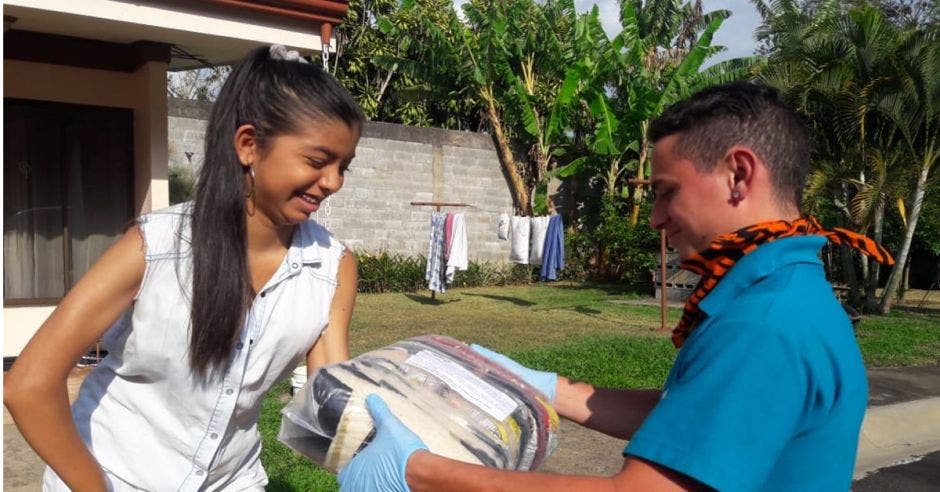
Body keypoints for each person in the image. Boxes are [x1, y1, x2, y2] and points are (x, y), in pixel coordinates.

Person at [336, 82, 895, 491]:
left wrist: (421, 472)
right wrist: (545, 388)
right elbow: (696, 417)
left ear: (739, 175)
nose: (655, 217)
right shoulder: (786, 293)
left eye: (665, 191)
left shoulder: (764, 324)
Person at [3, 45, 364, 491]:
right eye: (317, 161)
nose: (333, 183)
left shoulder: (331, 267)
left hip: (231, 481)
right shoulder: (155, 248)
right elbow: (29, 385)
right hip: (113, 477)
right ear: (248, 146)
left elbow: (330, 403)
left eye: (343, 166)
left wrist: (421, 433)